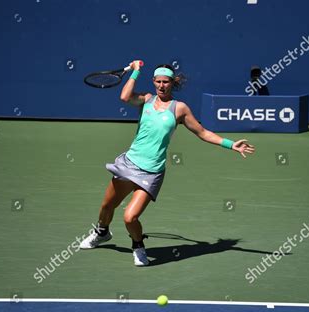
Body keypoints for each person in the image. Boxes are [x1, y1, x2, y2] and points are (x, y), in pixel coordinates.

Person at [79, 60, 255, 266]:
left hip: (151, 172)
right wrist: (135, 72)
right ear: (153, 81)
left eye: (166, 82)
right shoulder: (145, 100)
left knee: (130, 218)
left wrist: (231, 144)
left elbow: (202, 132)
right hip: (129, 163)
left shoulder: (179, 109)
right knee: (107, 205)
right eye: (158, 81)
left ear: (173, 83)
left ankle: (138, 245)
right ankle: (101, 232)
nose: (162, 85)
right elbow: (124, 96)